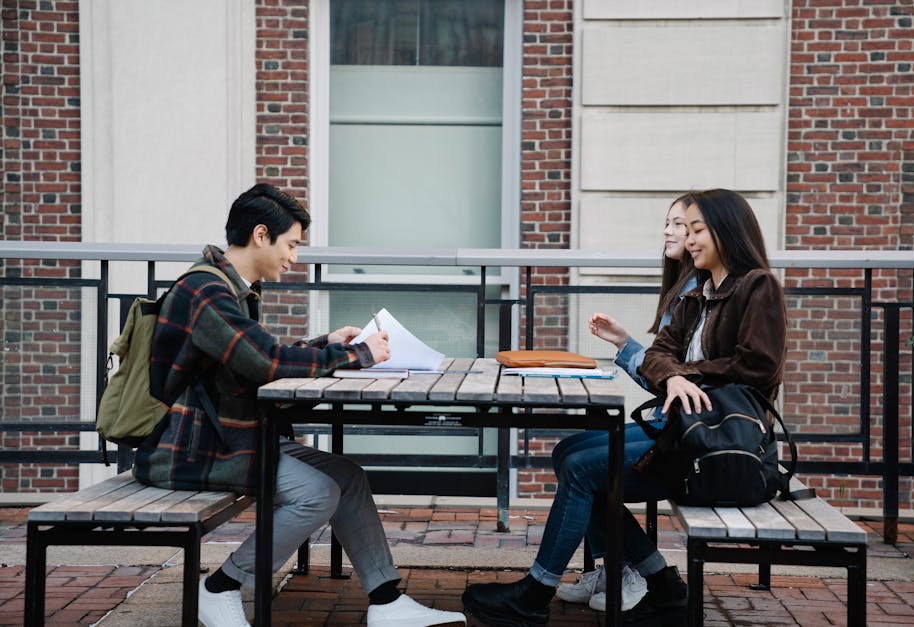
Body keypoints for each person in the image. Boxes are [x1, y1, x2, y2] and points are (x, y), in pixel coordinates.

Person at [132, 184, 466, 627]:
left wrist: (322, 344)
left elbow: (252, 358)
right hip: (191, 449)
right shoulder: (205, 291)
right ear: (260, 234)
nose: (294, 257)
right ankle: (220, 587)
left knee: (347, 477)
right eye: (291, 244)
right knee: (317, 492)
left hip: (226, 436)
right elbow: (265, 362)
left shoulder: (229, 288)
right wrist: (358, 355)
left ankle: (387, 602)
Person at [461, 188, 787, 626]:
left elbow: (756, 367)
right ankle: (663, 584)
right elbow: (658, 355)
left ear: (728, 231)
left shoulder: (756, 286)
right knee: (569, 455)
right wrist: (671, 374)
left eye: (697, 230)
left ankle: (536, 593)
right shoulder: (697, 292)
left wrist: (682, 373)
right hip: (683, 431)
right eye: (683, 230)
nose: (688, 240)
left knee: (583, 471)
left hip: (717, 445)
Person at [552, 195, 697, 613]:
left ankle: (637, 571)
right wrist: (623, 343)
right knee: (568, 453)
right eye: (666, 223)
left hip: (684, 438)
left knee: (584, 467)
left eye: (679, 224)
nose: (667, 231)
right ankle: (640, 570)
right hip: (671, 424)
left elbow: (672, 379)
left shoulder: (699, 292)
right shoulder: (683, 288)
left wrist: (629, 347)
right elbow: (665, 377)